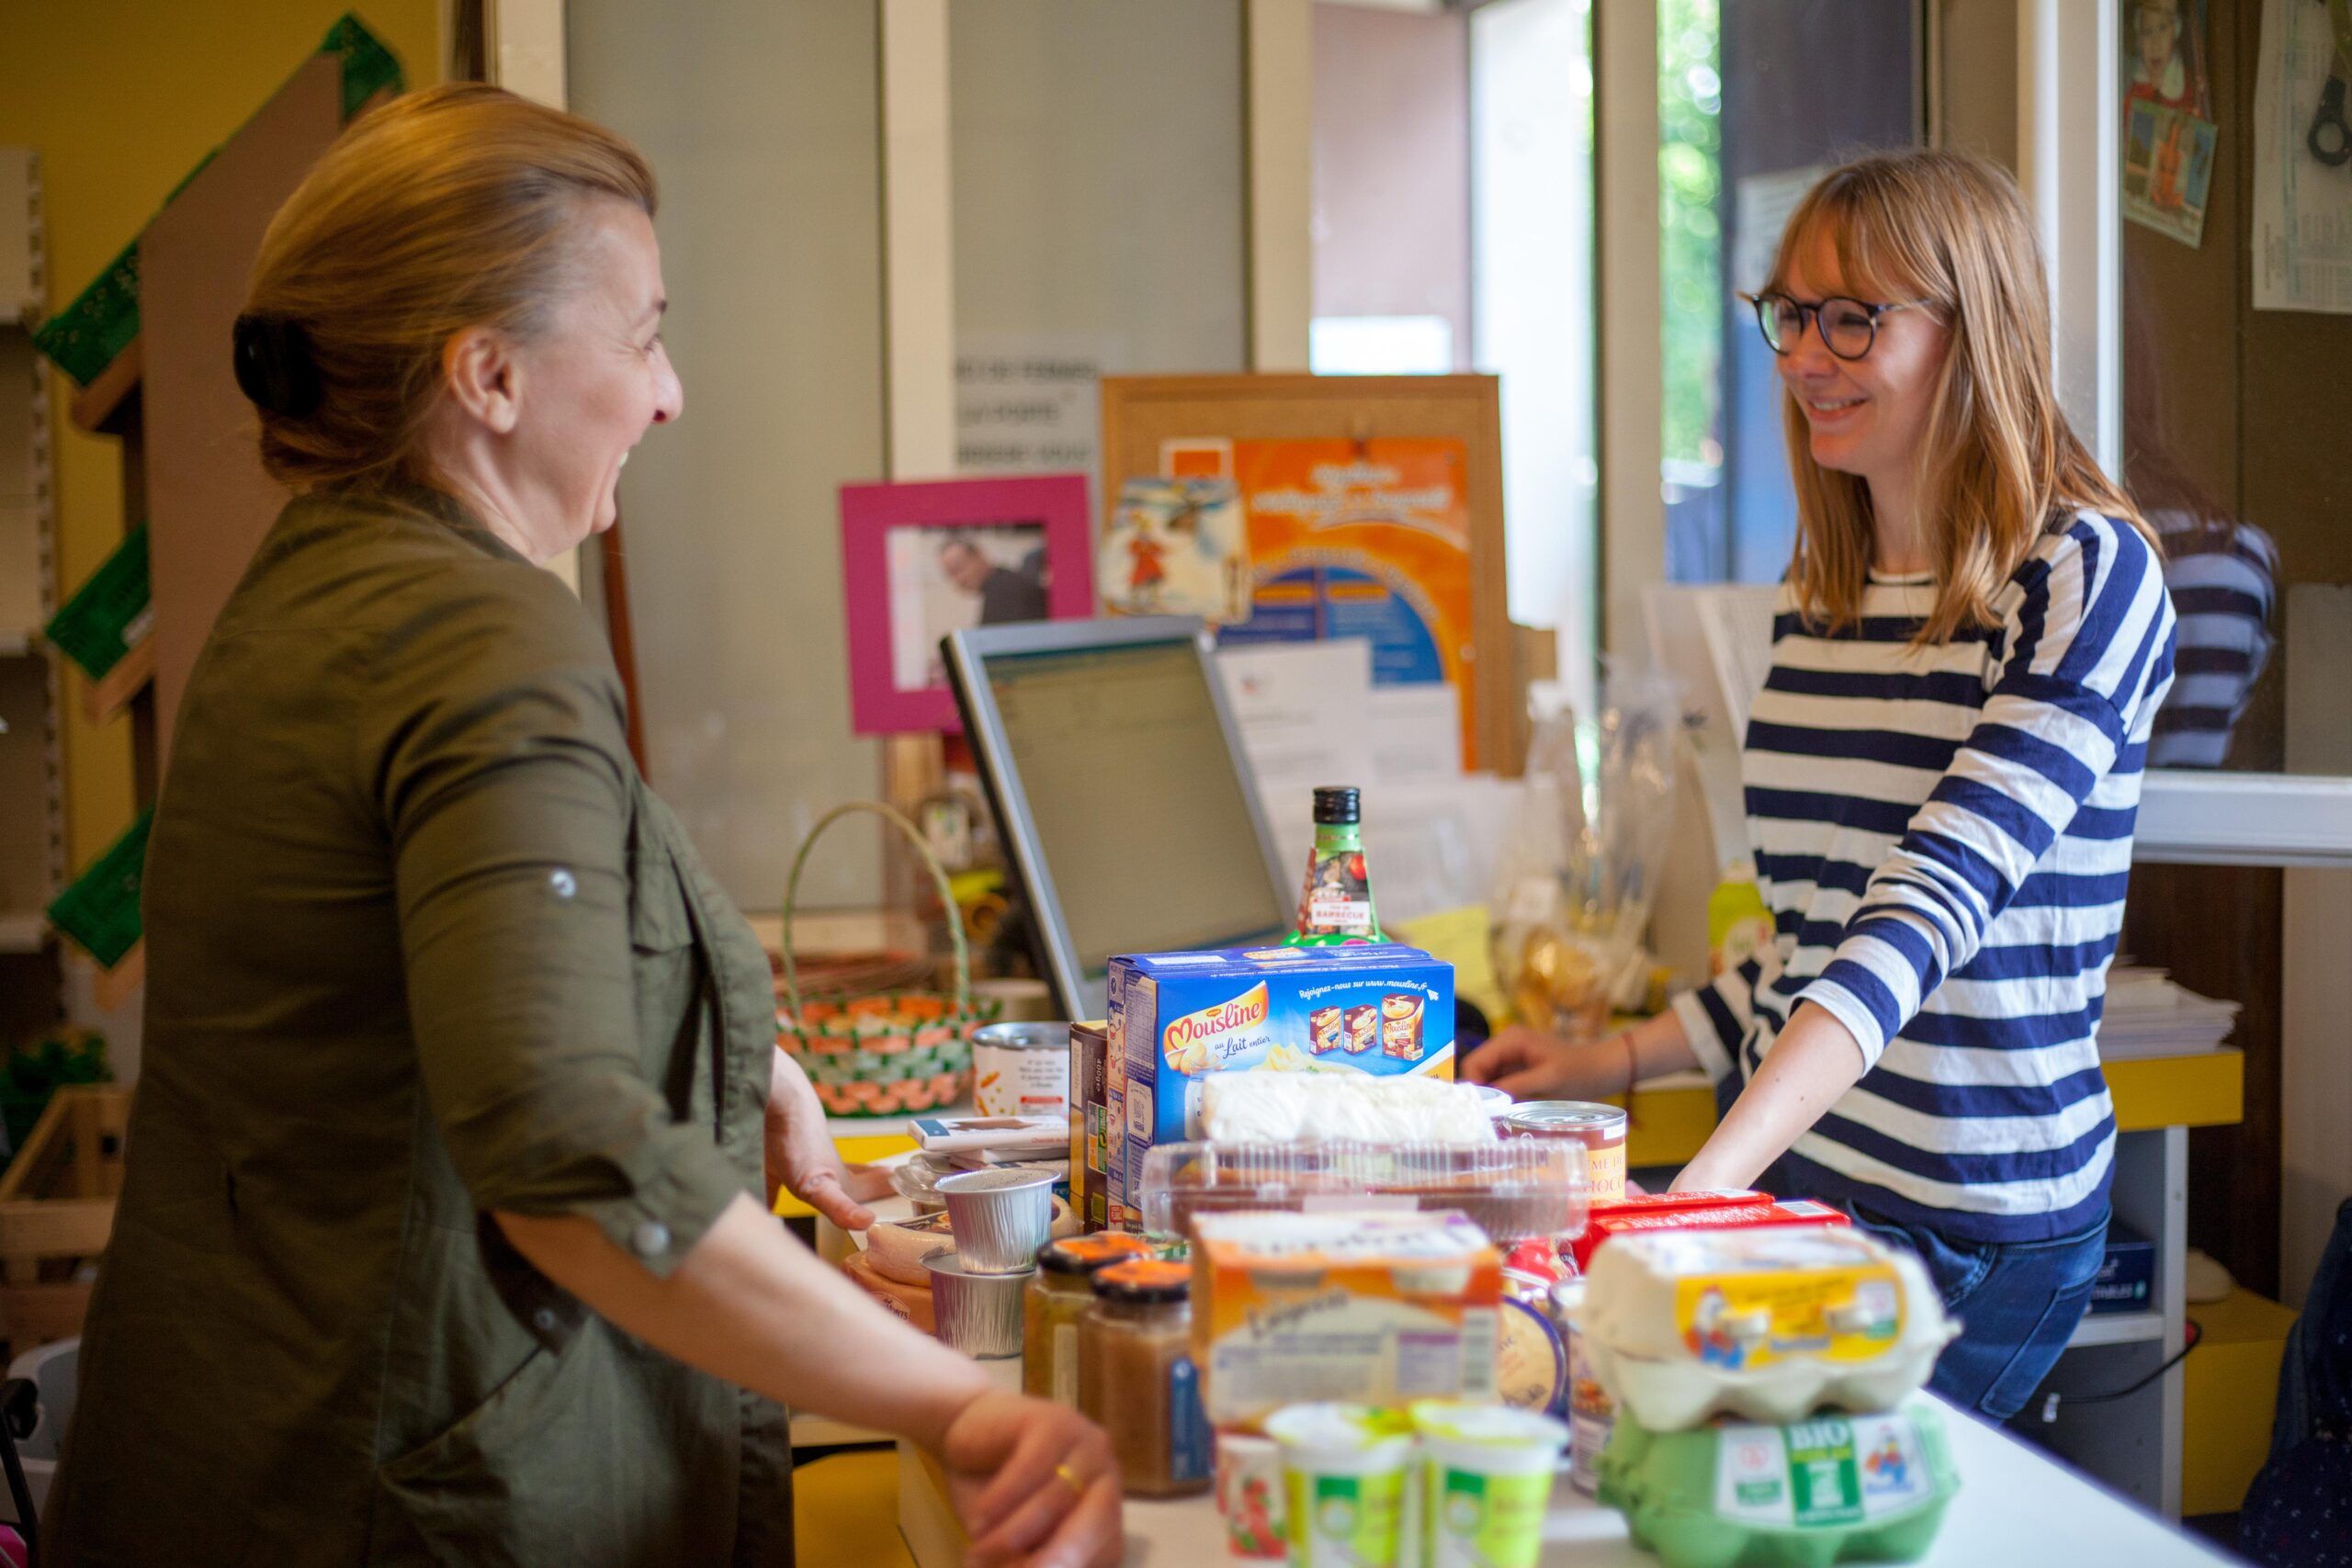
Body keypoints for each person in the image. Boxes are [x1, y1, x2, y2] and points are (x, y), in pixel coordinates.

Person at [48, 85, 1119, 1568]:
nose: (670, 391)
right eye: (640, 333)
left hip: (229, 1449)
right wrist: (959, 1406)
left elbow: (421, 971)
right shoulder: (481, 633)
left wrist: (717, 1052)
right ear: (485, 372)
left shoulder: (320, 587)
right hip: (386, 1484)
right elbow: (564, 1154)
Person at [1468, 149, 2178, 1424]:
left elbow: (1920, 912)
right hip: (1819, 1178)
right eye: (1790, 312)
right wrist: (1611, 1056)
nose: (1804, 356)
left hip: (1978, 1223)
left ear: (1978, 330)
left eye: (1854, 316)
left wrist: (1697, 1192)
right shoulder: (1825, 600)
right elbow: (1812, 930)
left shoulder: (2084, 576)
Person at [942, 535, 1050, 624]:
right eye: (951, 574)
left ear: (979, 555)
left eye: (959, 568)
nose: (960, 579)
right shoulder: (1000, 586)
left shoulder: (1004, 590)